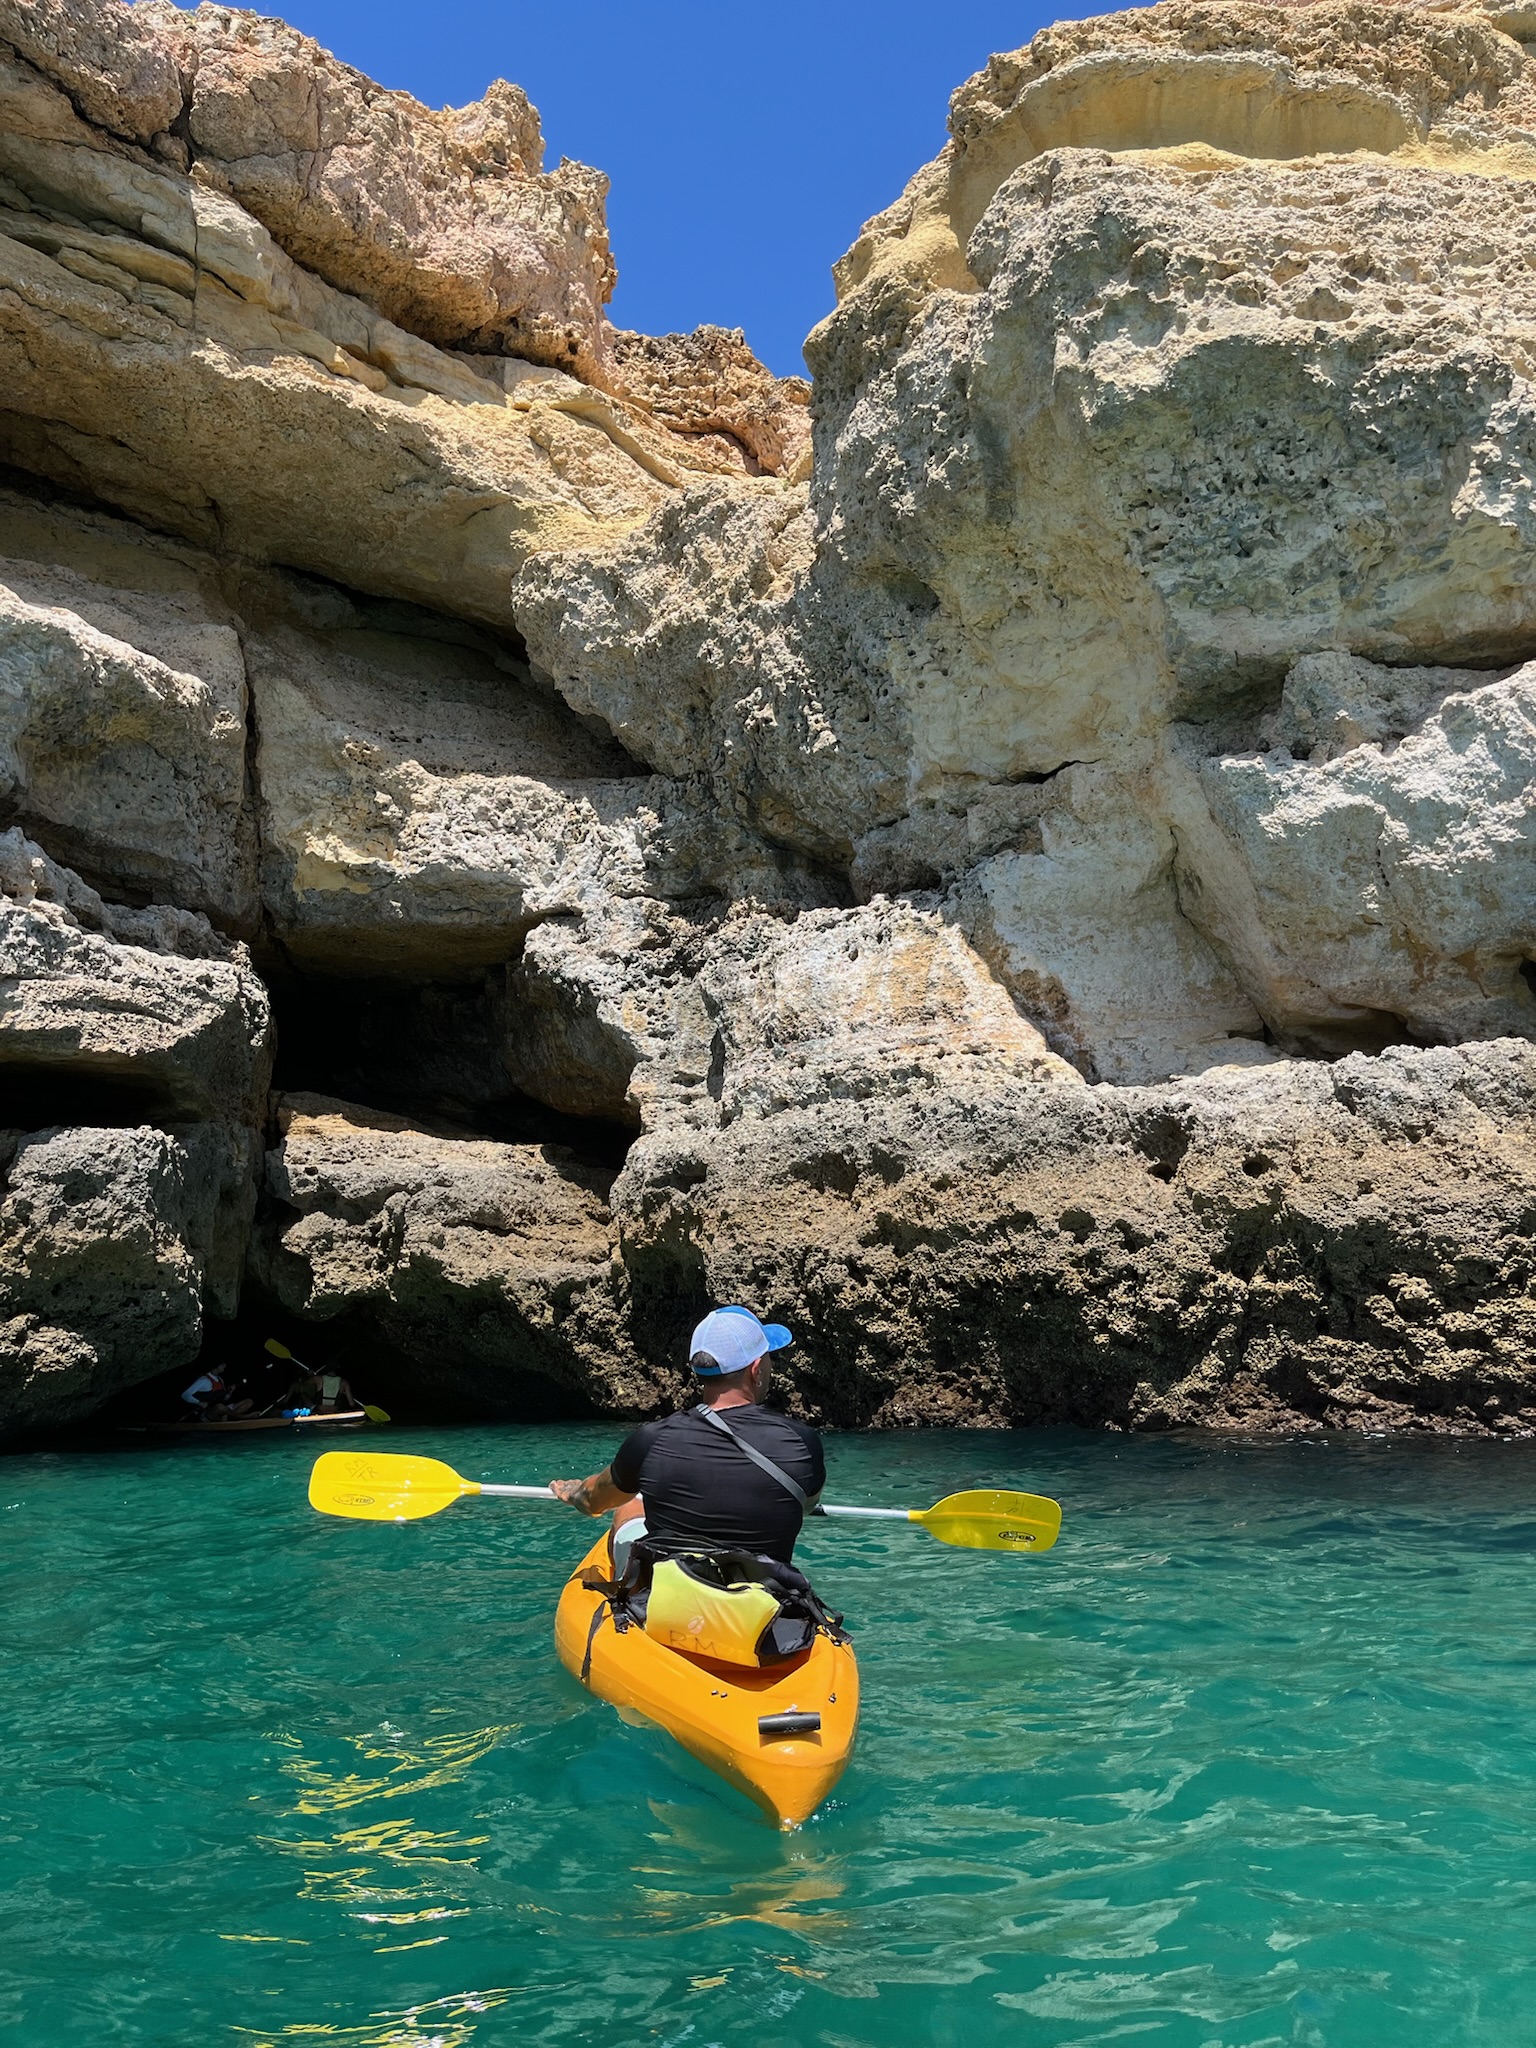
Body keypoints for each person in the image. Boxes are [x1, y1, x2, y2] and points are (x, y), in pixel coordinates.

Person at [548, 1306, 824, 1570]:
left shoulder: (650, 1440)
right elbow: (806, 1506)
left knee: (630, 1503)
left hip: (676, 1601)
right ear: (756, 1370)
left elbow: (592, 1501)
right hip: (760, 1601)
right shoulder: (803, 1441)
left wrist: (573, 1492)